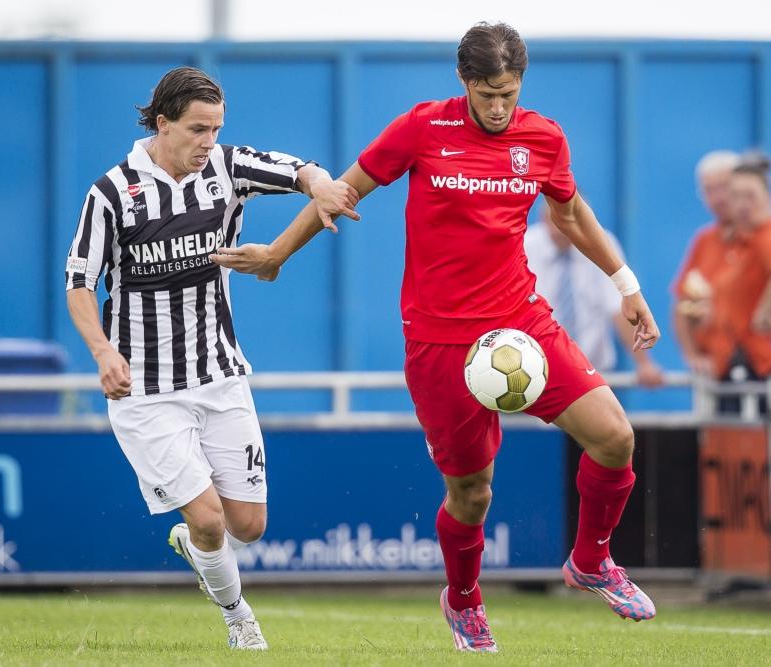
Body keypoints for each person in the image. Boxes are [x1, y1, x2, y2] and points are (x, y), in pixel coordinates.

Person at [213, 22, 660, 652]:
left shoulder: (544, 137)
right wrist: (279, 253)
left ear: (520, 82)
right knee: (472, 493)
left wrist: (626, 284)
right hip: (439, 342)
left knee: (615, 437)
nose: (500, 107)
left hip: (520, 322)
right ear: (464, 82)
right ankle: (465, 600)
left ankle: (592, 560)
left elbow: (569, 210)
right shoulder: (423, 128)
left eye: (509, 93)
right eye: (487, 94)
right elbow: (343, 189)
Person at [64, 67, 359, 650]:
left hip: (220, 376)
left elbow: (297, 169)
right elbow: (78, 283)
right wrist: (102, 351)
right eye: (198, 129)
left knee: (248, 525)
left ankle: (195, 545)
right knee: (208, 518)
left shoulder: (225, 167)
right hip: (145, 390)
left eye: (217, 129)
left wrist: (320, 183)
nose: (209, 141)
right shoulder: (112, 193)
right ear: (163, 122)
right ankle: (238, 617)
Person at [525, 201, 663, 386]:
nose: (560, 227)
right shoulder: (525, 246)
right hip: (532, 372)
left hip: (592, 372)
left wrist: (644, 363)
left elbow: (620, 308)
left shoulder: (603, 245)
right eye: (553, 218)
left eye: (566, 218)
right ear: (542, 219)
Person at [698, 154, 771, 409]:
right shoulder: (741, 240)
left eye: (750, 196)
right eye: (736, 196)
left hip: (769, 369)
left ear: (768, 196)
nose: (742, 205)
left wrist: (764, 313)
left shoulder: (770, 234)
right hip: (740, 366)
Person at [672, 150, 741, 376]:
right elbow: (681, 303)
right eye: (709, 190)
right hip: (717, 369)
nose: (718, 198)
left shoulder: (769, 235)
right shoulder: (704, 241)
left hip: (763, 368)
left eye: (724, 187)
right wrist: (692, 356)